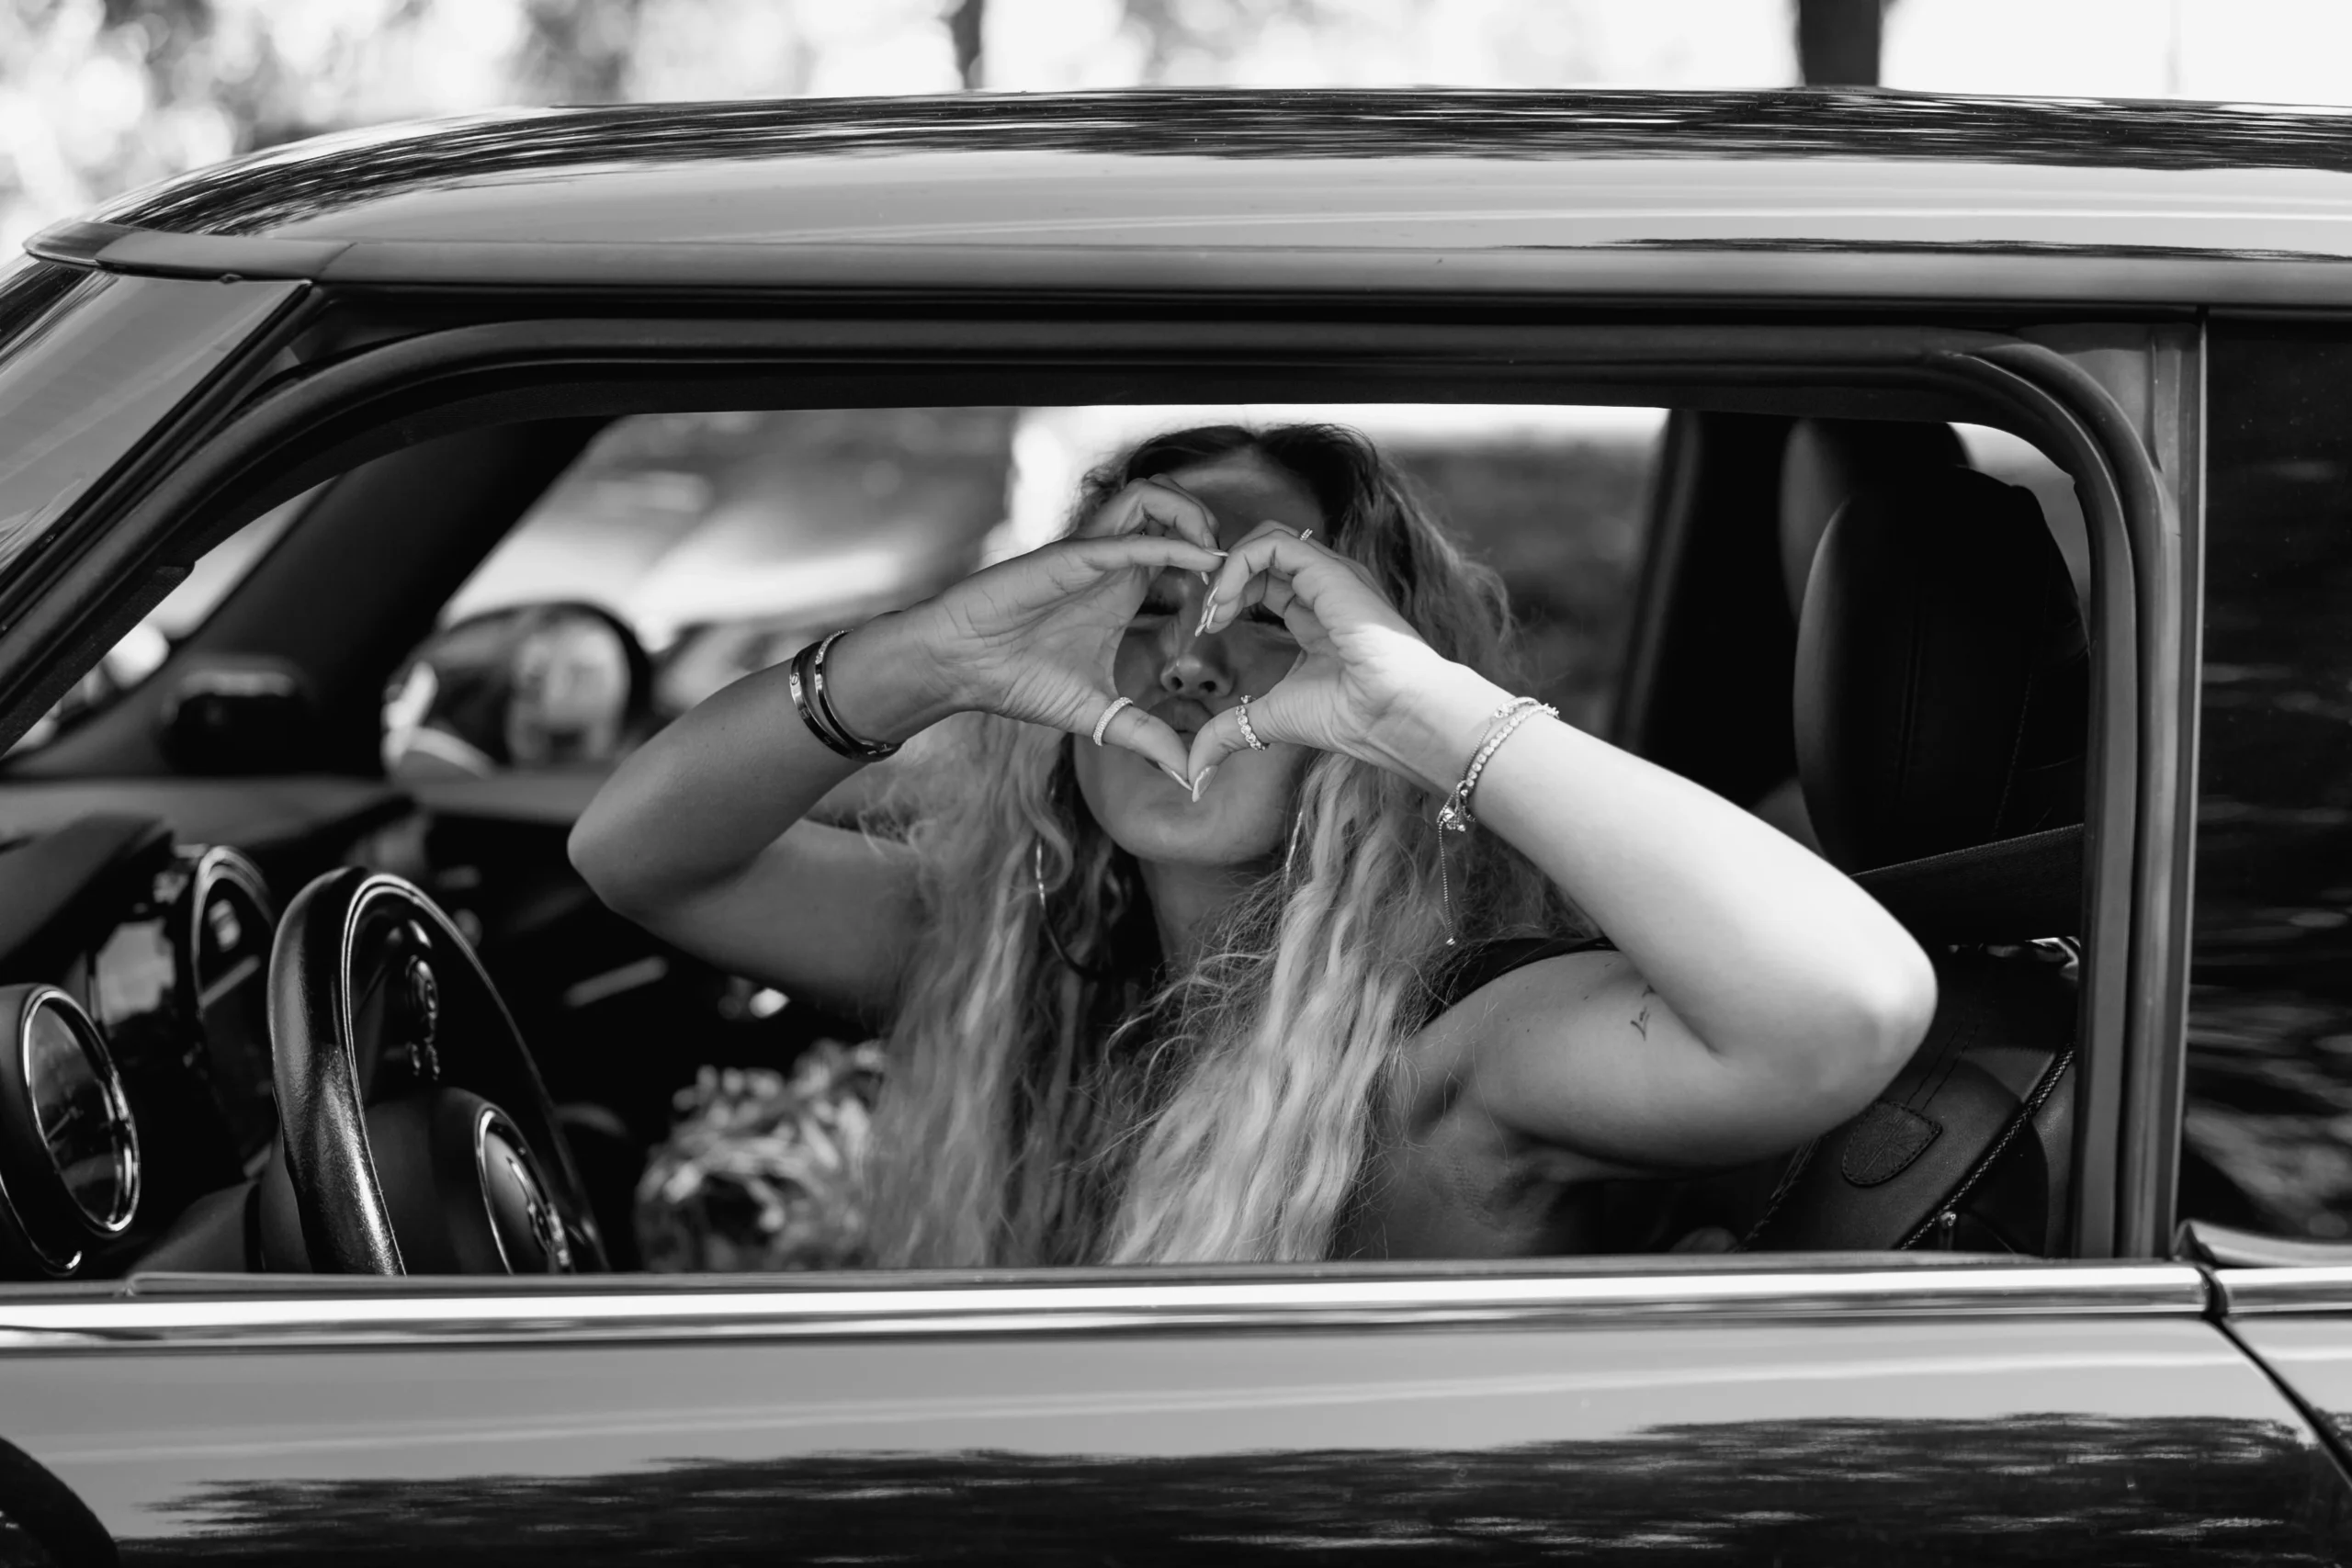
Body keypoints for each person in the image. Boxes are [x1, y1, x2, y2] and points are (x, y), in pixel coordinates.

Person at [570, 423, 1937, 1269]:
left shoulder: (1449, 1057)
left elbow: (1839, 1010)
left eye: (1271, 619)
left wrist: (1423, 704)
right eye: (1136, 609)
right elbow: (636, 852)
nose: (1189, 667)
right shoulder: (1015, 963)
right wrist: (928, 655)